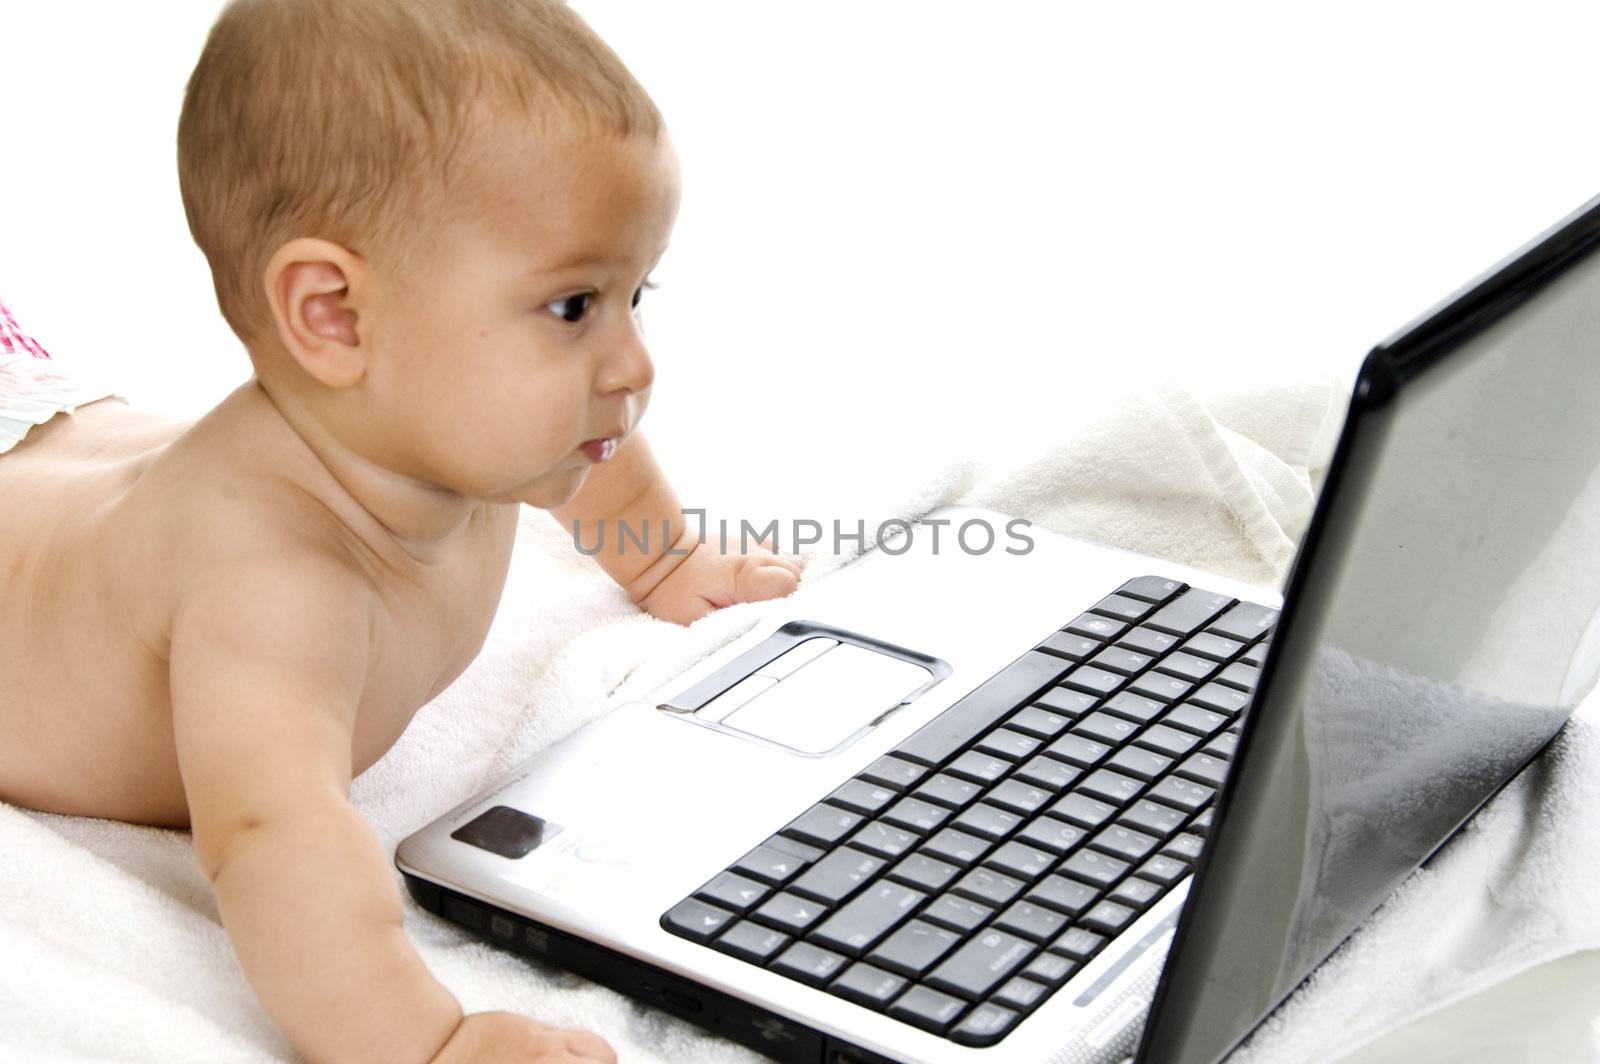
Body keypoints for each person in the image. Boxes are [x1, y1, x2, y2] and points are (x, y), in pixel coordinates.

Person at [0, 1, 802, 1060]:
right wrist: (425, 1041)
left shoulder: (476, 431)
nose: (633, 365)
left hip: (56, 421)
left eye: (634, 293)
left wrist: (665, 560)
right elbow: (272, 839)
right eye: (573, 307)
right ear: (332, 313)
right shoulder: (274, 586)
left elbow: (594, 457)